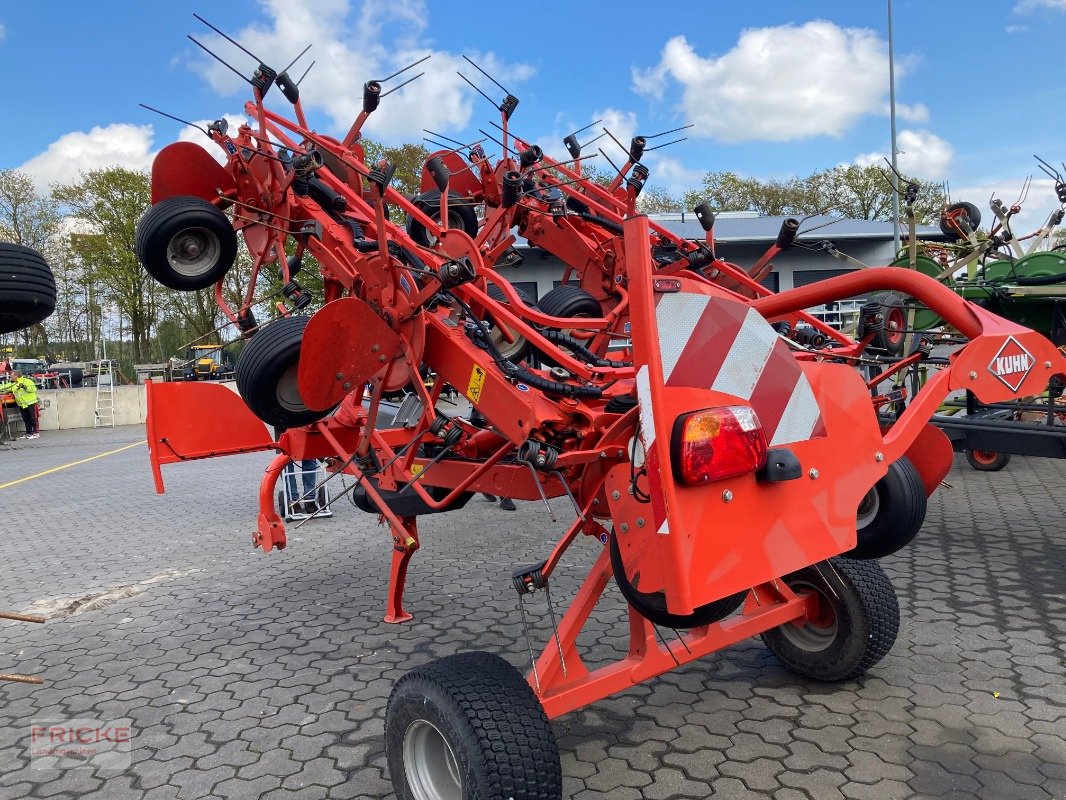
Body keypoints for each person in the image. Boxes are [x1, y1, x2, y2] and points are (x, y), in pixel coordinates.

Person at [0, 371, 41, 439]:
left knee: (33, 418)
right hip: (22, 404)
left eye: (11, 376)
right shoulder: (13, 384)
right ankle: (28, 433)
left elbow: (33, 389)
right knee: (26, 419)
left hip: (30, 403)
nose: (10, 377)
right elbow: (4, 387)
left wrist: (24, 387)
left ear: (16, 376)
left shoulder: (26, 381)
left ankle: (36, 433)